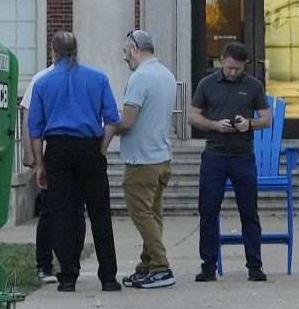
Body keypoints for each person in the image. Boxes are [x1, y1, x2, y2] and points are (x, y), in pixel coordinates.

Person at [26, 30, 123, 292]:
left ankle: (68, 275)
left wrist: (40, 165)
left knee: (61, 213)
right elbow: (113, 119)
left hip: (57, 148)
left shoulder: (43, 83)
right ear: (77, 51)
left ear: (53, 52)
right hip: (89, 147)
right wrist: (101, 147)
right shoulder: (98, 78)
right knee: (100, 213)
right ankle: (109, 277)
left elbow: (35, 129)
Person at [187, 41, 270, 283]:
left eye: (238, 69)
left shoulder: (253, 85)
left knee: (249, 212)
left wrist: (249, 123)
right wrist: (214, 125)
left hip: (243, 156)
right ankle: (208, 265)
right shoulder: (207, 84)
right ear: (222, 60)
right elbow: (193, 116)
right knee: (209, 210)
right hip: (214, 155)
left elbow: (266, 118)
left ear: (244, 66)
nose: (233, 72)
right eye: (230, 67)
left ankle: (254, 264)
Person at [114, 29, 179, 288]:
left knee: (141, 213)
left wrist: (105, 125)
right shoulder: (166, 74)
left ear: (134, 48)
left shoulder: (140, 78)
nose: (124, 57)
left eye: (125, 51)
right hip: (162, 157)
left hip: (142, 160)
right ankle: (147, 265)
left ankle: (161, 267)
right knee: (154, 214)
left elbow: (127, 122)